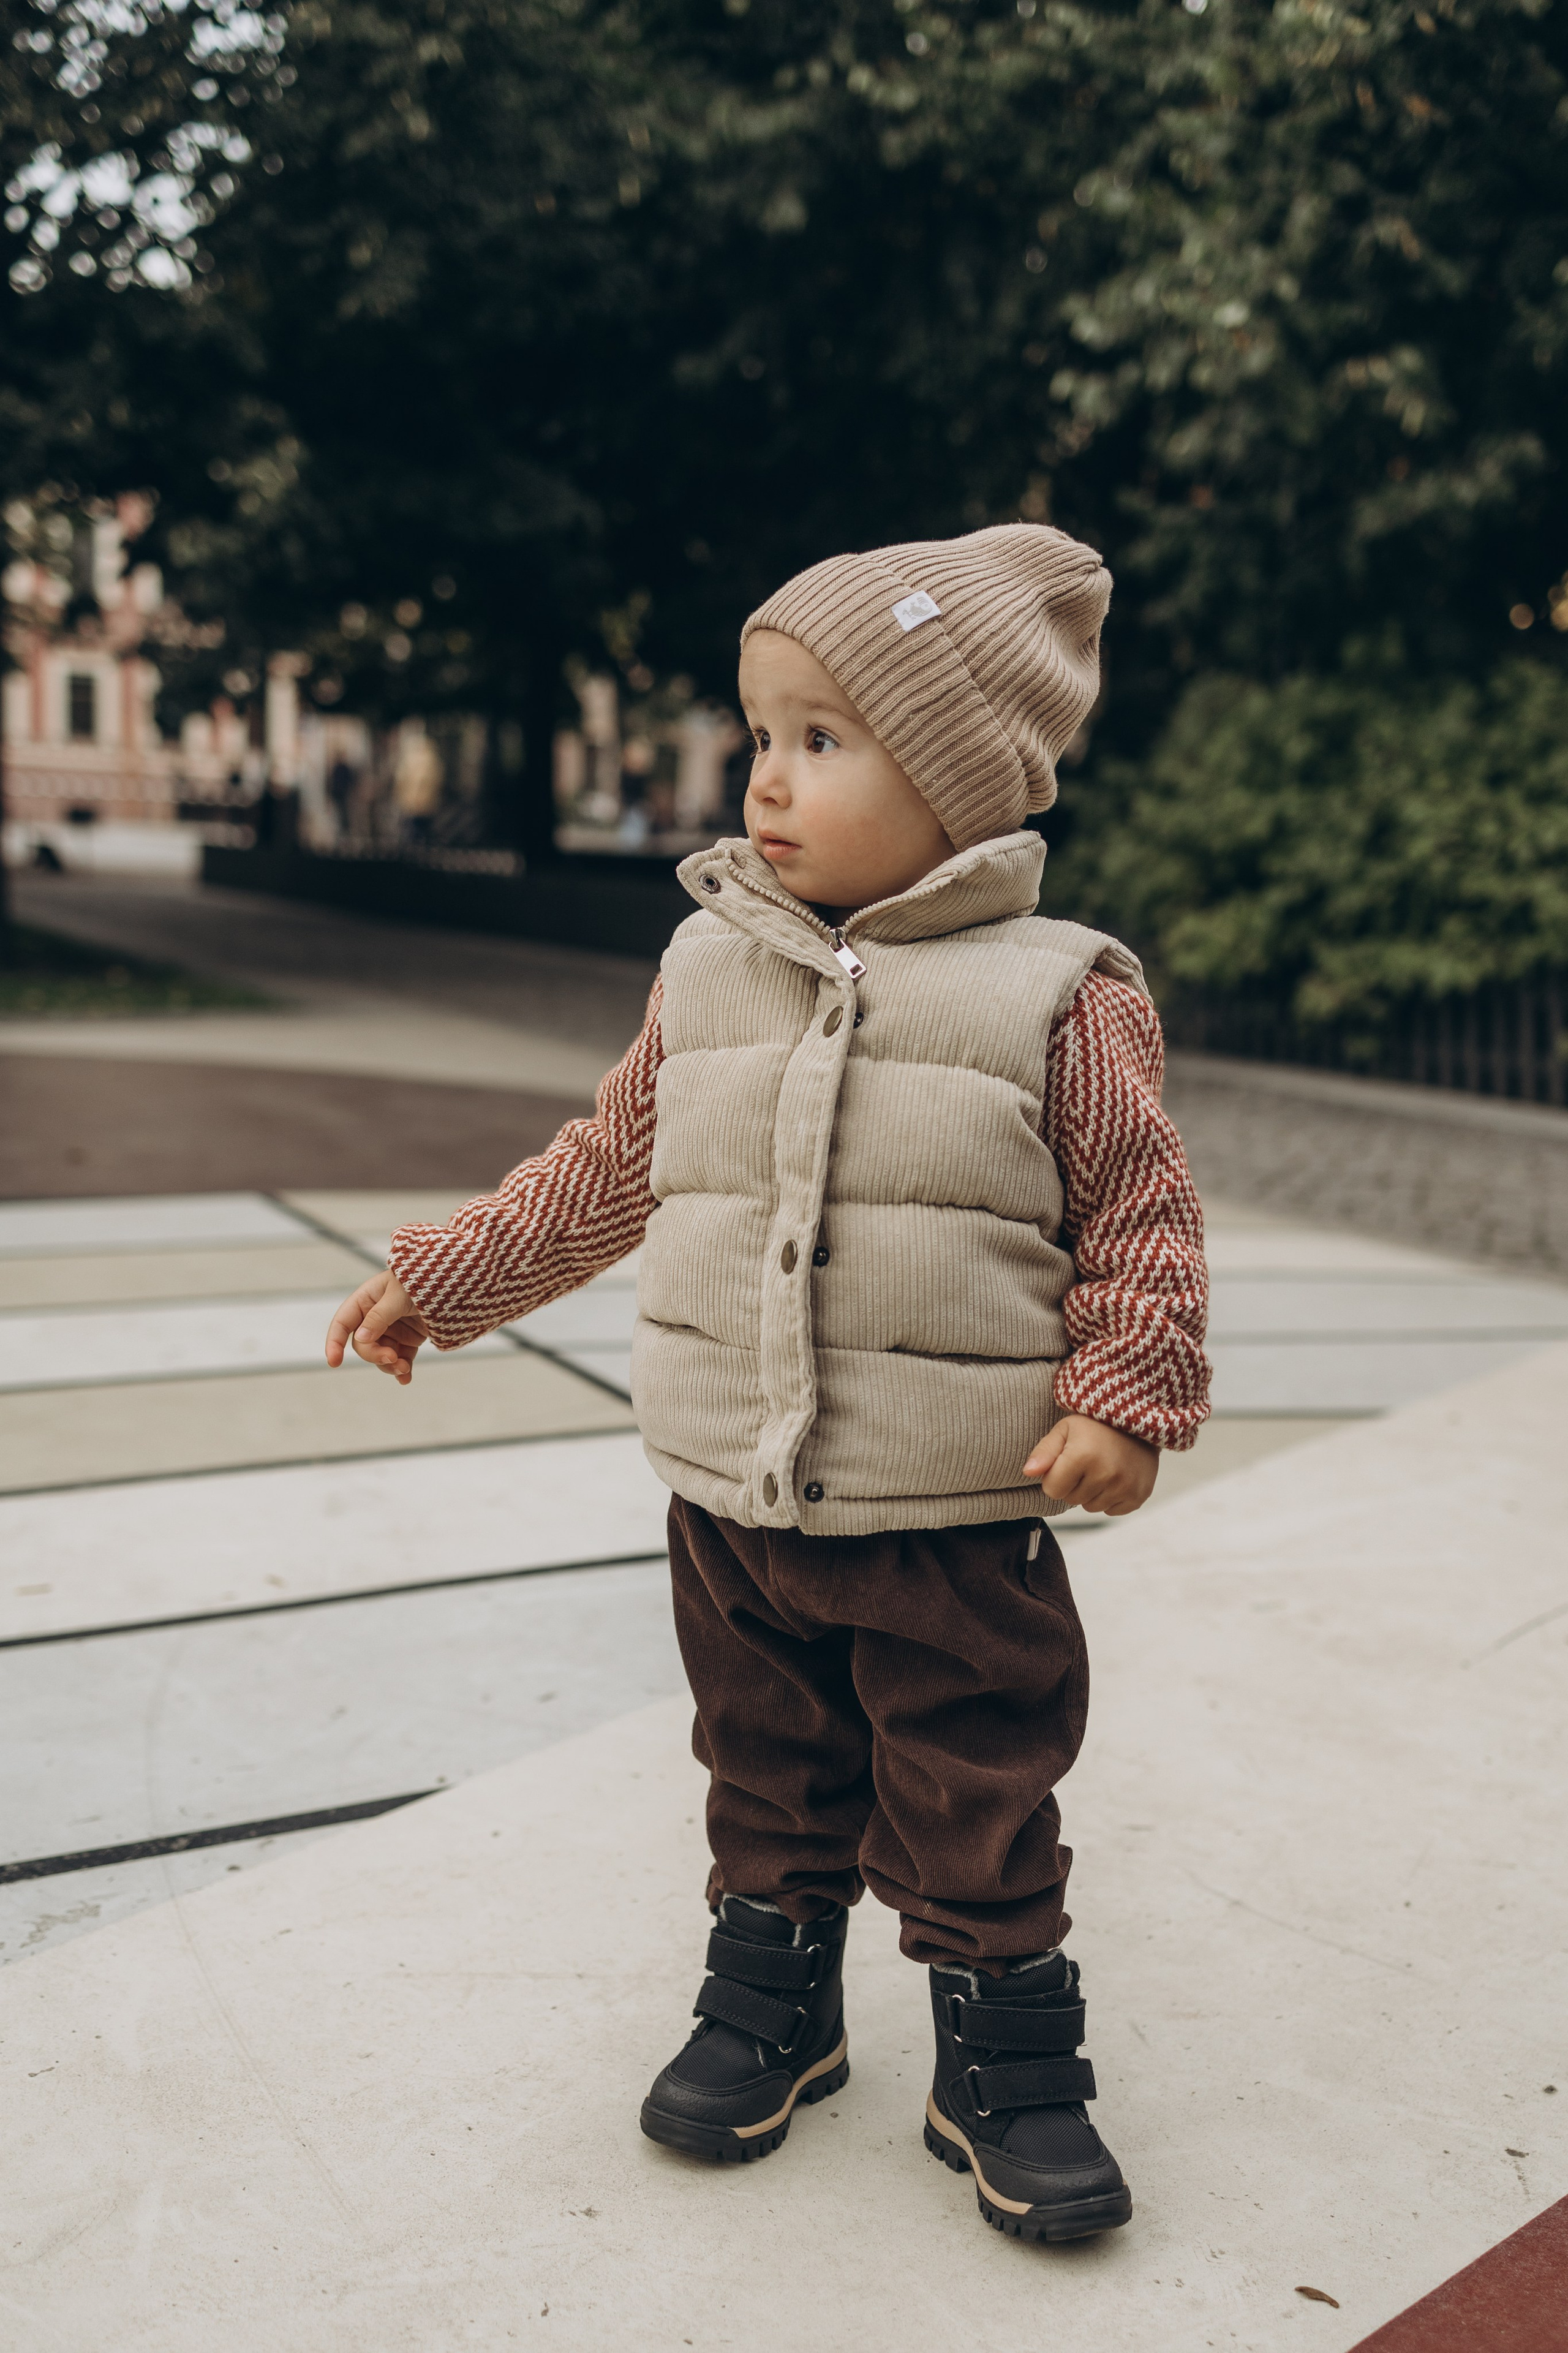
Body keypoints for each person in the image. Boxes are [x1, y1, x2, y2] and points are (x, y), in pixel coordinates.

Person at [324, 526, 1210, 2244]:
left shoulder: (1060, 994)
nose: (769, 779)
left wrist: (1124, 1389)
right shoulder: (708, 968)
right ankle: (775, 1998)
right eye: (761, 734)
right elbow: (609, 1167)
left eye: (824, 738)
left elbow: (1141, 1213)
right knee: (765, 1763)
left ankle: (1007, 2051)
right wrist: (452, 1274)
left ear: (956, 778)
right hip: (735, 1493)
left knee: (975, 1779)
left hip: (951, 1507)